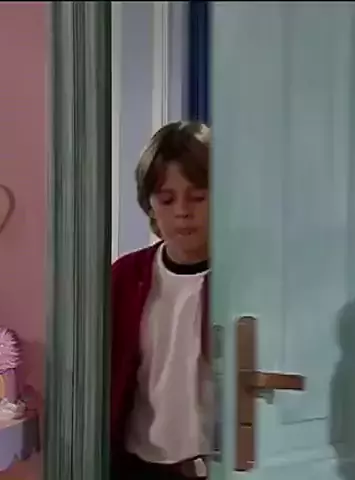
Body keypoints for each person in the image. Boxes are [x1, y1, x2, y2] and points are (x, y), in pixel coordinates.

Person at [110, 121, 212, 480]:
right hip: (140, 466)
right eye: (167, 199)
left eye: (198, 197)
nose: (182, 211)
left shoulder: (245, 277)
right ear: (150, 205)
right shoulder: (125, 277)